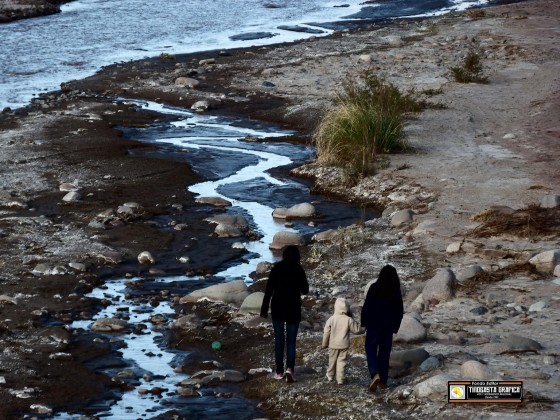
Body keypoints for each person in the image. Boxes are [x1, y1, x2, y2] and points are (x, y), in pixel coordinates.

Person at [260, 245, 309, 383]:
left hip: (278, 309)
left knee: (279, 340)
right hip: (293, 309)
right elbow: (305, 290)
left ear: (284, 255)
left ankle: (279, 371)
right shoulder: (299, 270)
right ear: (297, 256)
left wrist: (264, 310)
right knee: (291, 342)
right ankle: (290, 369)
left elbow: (269, 290)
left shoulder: (276, 268)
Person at [360, 264, 404, 392]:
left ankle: (375, 374)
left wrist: (364, 322)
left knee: (371, 349)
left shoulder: (374, 287)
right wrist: (395, 327)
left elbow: (367, 306)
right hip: (388, 326)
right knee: (384, 353)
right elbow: (399, 311)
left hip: (373, 324)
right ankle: (383, 381)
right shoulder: (395, 291)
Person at [322, 297, 361, 385]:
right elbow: (356, 330)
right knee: (341, 362)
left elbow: (326, 333)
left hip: (333, 345)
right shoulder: (348, 319)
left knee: (332, 360)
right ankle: (340, 379)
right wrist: (362, 327)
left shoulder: (331, 319)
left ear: (336, 307)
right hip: (344, 345)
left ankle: (330, 375)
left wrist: (324, 344)